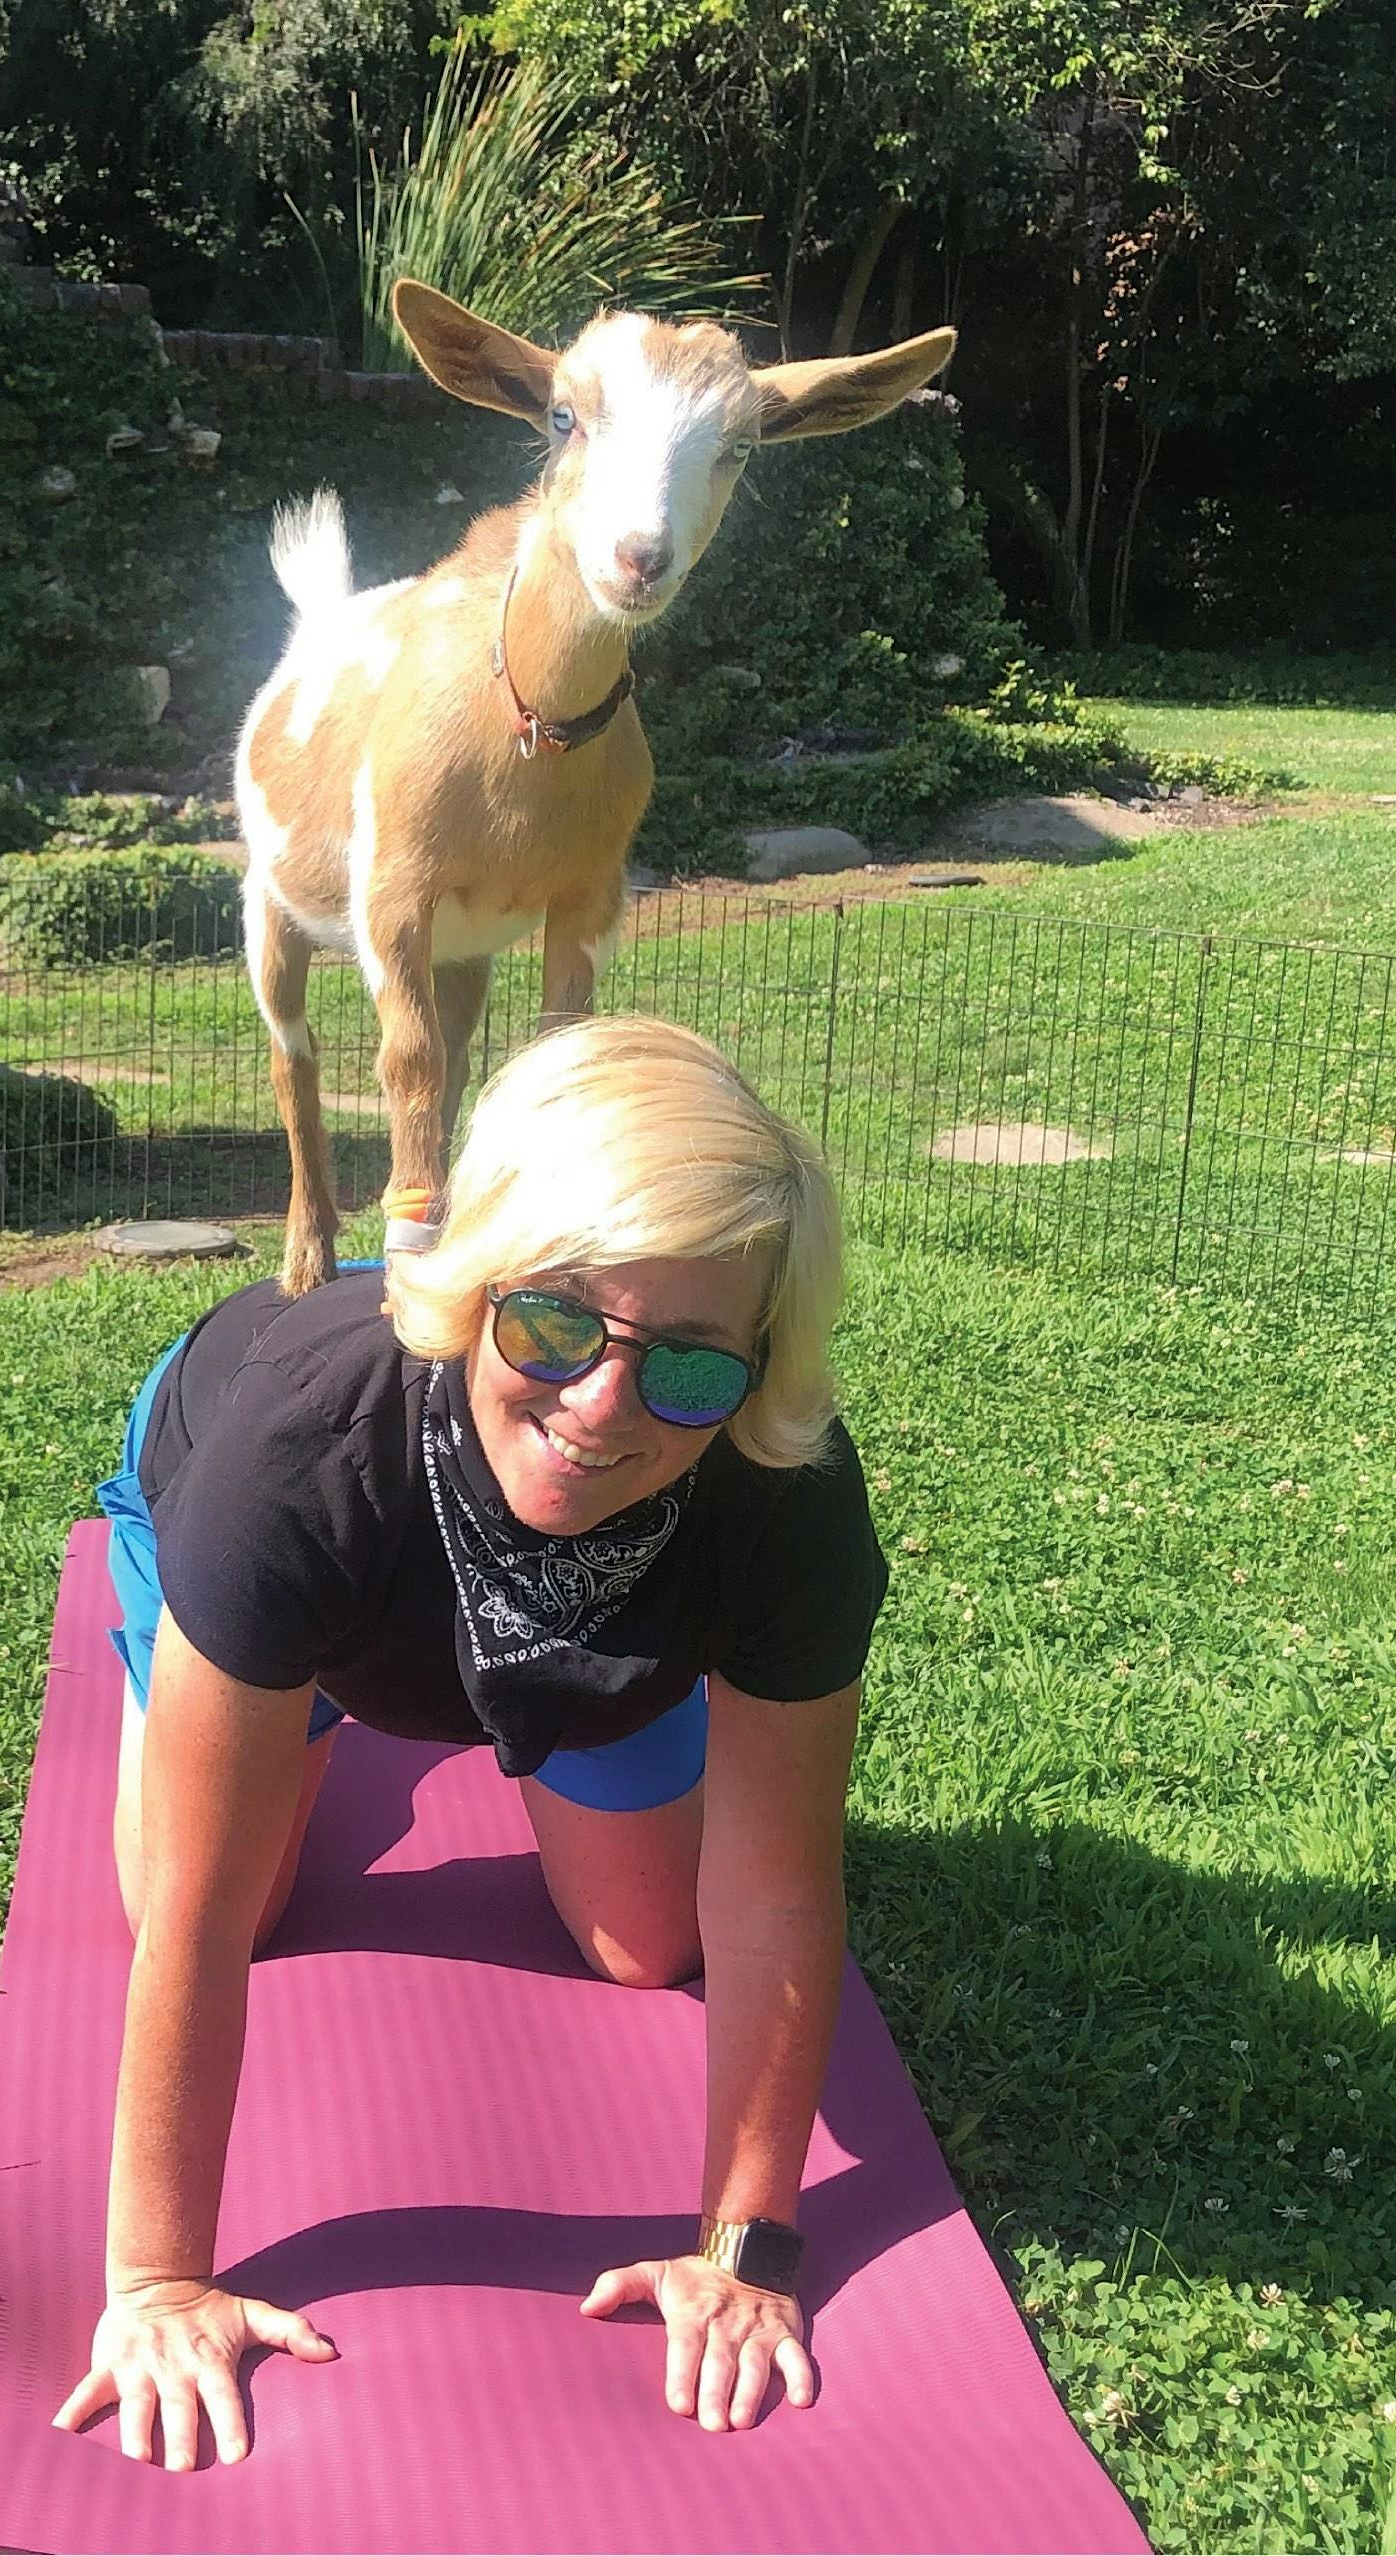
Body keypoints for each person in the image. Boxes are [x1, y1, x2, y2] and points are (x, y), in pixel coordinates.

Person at [62, 1024, 879, 2470]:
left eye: (685, 1369)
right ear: (477, 1281)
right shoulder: (292, 1453)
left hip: (576, 1592)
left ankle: (542, 1688)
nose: (596, 1409)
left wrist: (745, 2252)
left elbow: (769, 1893)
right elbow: (186, 1925)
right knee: (220, 1895)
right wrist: (155, 2284)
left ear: (756, 1372)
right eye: (552, 1325)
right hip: (295, 1562)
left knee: (649, 1942)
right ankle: (304, 1702)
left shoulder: (781, 1496)